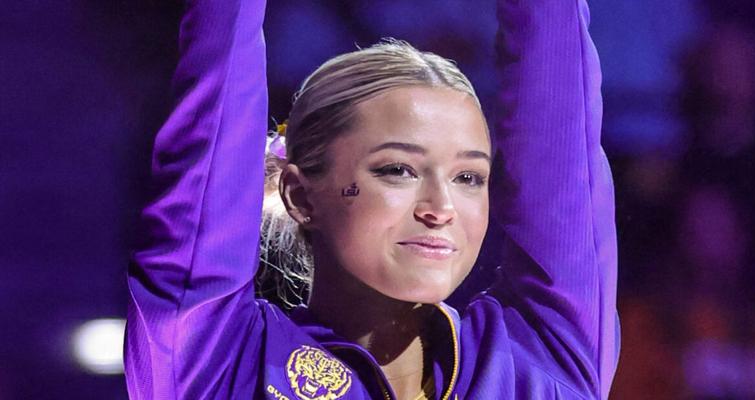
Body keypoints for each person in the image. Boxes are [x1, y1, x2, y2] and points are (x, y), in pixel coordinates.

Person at [125, 0, 619, 399]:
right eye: (397, 170)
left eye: (469, 177)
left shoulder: (540, 363)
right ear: (300, 194)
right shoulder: (219, 365)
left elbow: (561, 118)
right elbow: (215, 110)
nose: (440, 208)